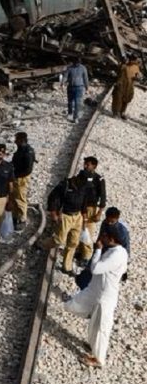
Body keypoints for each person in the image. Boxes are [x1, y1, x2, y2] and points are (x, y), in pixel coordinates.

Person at [62, 223, 128, 367]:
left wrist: (97, 250)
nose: (101, 237)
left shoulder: (117, 254)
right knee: (75, 308)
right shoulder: (115, 250)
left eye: (104, 236)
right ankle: (92, 344)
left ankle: (99, 359)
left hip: (105, 296)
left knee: (101, 328)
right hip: (95, 290)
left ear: (112, 239)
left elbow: (96, 268)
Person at [45, 175, 89, 274]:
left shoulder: (83, 187)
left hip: (77, 217)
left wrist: (85, 219)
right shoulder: (64, 186)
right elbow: (53, 199)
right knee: (59, 240)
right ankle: (43, 244)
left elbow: (84, 204)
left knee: (73, 242)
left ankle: (67, 267)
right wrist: (54, 214)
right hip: (65, 216)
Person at [75, 156, 107, 265]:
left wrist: (99, 213)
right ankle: (79, 250)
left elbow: (103, 197)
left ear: (94, 166)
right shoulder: (81, 176)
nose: (85, 166)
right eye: (85, 164)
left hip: (90, 208)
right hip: (79, 206)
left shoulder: (99, 179)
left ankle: (86, 256)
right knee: (78, 229)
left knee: (88, 232)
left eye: (87, 164)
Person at [10, 132, 36, 228]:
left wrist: (16, 176)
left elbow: (28, 169)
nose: (15, 141)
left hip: (21, 178)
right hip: (17, 176)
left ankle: (22, 219)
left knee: (20, 198)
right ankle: (15, 216)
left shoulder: (27, 152)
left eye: (16, 139)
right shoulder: (21, 149)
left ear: (21, 140)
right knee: (14, 197)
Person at [111, 54, 140, 119]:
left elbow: (137, 75)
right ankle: (115, 113)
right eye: (132, 59)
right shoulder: (123, 65)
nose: (133, 61)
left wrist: (137, 78)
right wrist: (123, 63)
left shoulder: (136, 67)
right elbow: (118, 72)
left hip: (129, 85)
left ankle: (122, 112)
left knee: (126, 98)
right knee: (118, 98)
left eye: (134, 59)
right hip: (121, 83)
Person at [63, 58, 90, 123]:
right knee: (70, 102)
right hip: (70, 87)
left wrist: (87, 88)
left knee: (77, 103)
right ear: (73, 62)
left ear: (80, 62)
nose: (77, 64)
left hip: (79, 88)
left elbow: (86, 79)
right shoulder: (69, 68)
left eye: (78, 63)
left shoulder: (83, 68)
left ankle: (75, 117)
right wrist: (63, 83)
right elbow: (65, 76)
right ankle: (70, 113)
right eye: (76, 63)